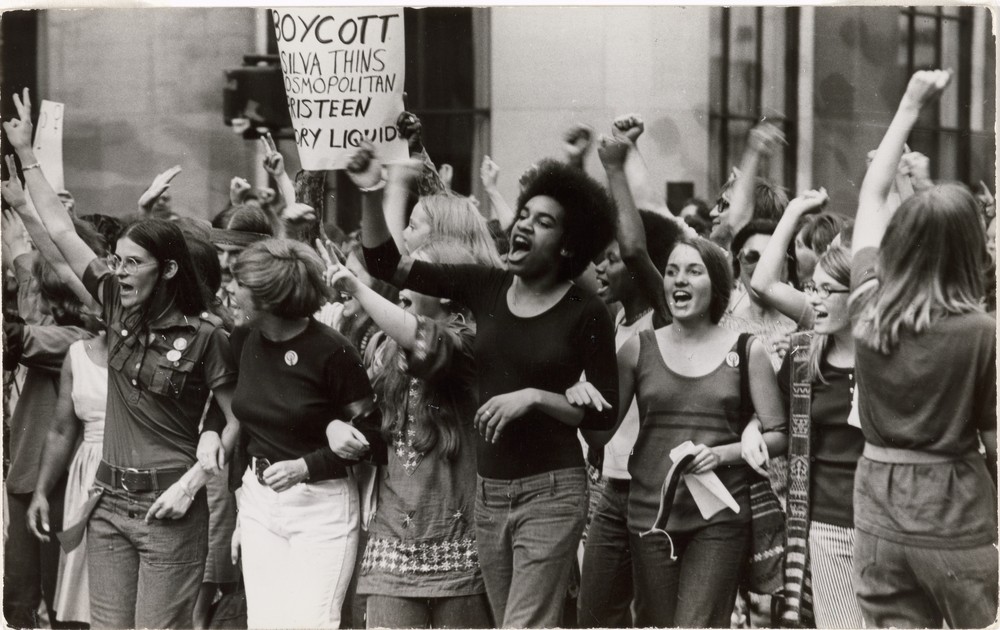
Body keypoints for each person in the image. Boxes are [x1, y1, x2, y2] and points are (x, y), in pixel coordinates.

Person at [4, 87, 242, 629]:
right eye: (117, 261)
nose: (121, 271)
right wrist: (27, 156)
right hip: (107, 506)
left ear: (170, 271)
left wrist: (193, 483)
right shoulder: (114, 304)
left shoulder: (209, 337)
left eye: (134, 263)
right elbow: (61, 233)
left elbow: (239, 416)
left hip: (170, 511)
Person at [358, 148, 619, 628]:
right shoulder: (486, 286)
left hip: (553, 491)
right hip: (490, 495)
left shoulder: (587, 312)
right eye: (524, 214)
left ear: (567, 245)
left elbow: (602, 424)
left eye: (543, 222)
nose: (523, 225)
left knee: (524, 625)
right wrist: (373, 192)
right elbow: (384, 262)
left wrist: (542, 398)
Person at [850, 69, 997, 628]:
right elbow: (995, 441)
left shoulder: (867, 306)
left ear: (900, 244)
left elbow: (871, 194)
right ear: (970, 250)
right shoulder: (983, 333)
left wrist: (910, 103)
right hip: (956, 520)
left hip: (876, 520)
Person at [597, 235, 786, 628]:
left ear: (717, 285)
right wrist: (579, 392)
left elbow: (779, 434)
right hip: (650, 516)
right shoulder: (637, 349)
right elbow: (600, 431)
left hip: (718, 517)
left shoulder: (747, 350)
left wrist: (723, 454)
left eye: (693, 271)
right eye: (671, 272)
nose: (679, 281)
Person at [324, 238, 493, 629]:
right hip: (390, 547)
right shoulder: (381, 348)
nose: (401, 284)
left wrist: (357, 287)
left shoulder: (471, 344)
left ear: (448, 295)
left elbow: (424, 341)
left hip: (460, 548)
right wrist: (336, 427)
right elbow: (358, 415)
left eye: (414, 275)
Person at [227, 238, 384, 629]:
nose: (228, 290)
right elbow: (241, 414)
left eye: (238, 282)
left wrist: (306, 466)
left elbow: (374, 440)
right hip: (258, 501)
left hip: (321, 507)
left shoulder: (332, 351)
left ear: (268, 296)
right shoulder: (243, 339)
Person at [748, 194, 866, 626]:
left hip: (889, 521)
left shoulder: (892, 356)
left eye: (824, 290)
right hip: (827, 522)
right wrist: (749, 431)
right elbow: (770, 416)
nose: (812, 300)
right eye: (810, 289)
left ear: (861, 296)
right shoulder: (805, 355)